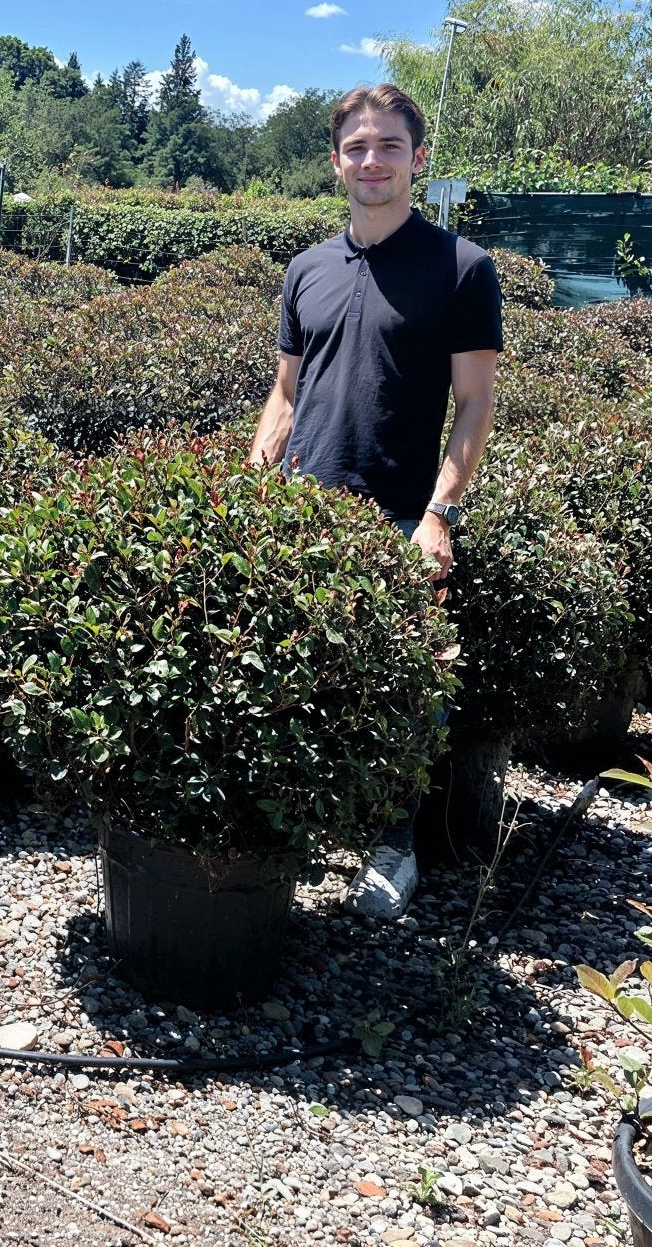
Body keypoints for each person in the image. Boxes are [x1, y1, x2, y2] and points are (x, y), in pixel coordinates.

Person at [246, 83, 501, 920]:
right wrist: (256, 478)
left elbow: (474, 404)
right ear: (335, 164)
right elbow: (286, 391)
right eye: (357, 147)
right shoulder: (306, 270)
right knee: (287, 676)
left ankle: (395, 848)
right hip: (301, 514)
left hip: (397, 513)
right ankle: (300, 822)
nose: (372, 161)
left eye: (389, 146)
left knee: (403, 690)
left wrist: (440, 513)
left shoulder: (462, 268)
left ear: (419, 160)